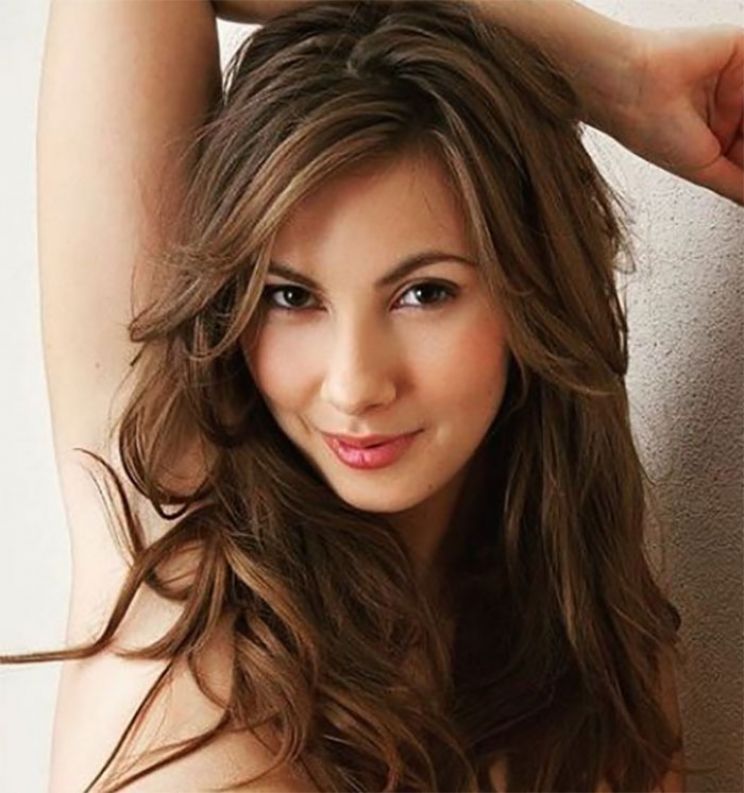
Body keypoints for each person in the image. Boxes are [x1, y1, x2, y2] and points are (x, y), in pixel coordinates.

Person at [0, 0, 739, 790]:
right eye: (291, 297)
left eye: (424, 293)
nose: (354, 384)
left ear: (533, 293)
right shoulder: (169, 529)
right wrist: (618, 74)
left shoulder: (599, 665)